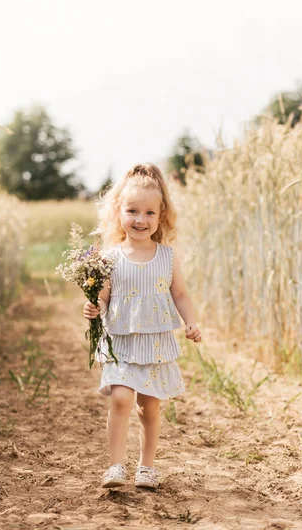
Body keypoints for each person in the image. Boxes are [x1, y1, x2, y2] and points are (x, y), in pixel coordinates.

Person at [83, 163, 201, 490]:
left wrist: (191, 322)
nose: (140, 219)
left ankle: (146, 466)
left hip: (155, 342)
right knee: (121, 398)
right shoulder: (110, 257)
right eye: (132, 210)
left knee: (149, 406)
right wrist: (95, 306)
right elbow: (104, 298)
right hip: (120, 340)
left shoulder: (167, 256)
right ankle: (115, 466)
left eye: (149, 212)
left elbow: (180, 293)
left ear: (161, 216)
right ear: (118, 212)